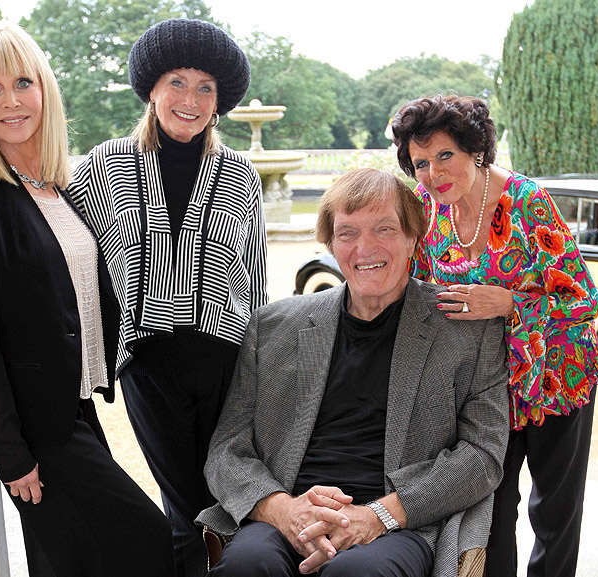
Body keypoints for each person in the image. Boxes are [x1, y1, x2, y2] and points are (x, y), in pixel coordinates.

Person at [0, 22, 174, 577]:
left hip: (77, 406)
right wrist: (8, 449)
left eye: (23, 81)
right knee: (150, 539)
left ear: (45, 87)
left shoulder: (54, 187)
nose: (12, 100)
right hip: (36, 427)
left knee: (68, 562)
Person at [196, 168, 510, 577]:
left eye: (384, 229)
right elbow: (226, 451)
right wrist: (282, 509)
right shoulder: (273, 327)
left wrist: (379, 515)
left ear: (414, 237)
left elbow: (483, 454)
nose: (365, 248)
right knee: (247, 565)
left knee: (356, 574)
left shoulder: (466, 329)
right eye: (347, 233)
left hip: (398, 524)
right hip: (288, 513)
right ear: (329, 243)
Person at [68, 18, 268, 577]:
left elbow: (254, 278)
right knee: (186, 506)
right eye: (177, 82)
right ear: (152, 88)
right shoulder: (101, 165)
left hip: (223, 362)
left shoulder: (240, 172)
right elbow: (71, 263)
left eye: (206, 88)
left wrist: (258, 369)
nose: (191, 99)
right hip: (147, 362)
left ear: (219, 101)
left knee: (226, 496)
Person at [391, 95, 598, 577]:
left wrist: (509, 303)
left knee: (554, 512)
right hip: (485, 390)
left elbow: (583, 301)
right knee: (489, 514)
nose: (433, 173)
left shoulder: (528, 201)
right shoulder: (425, 211)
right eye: (421, 162)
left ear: (476, 150)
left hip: (557, 374)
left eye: (445, 155)